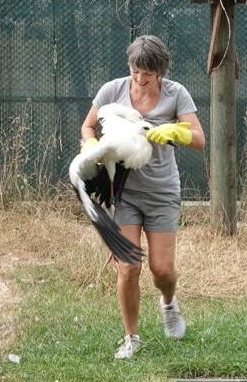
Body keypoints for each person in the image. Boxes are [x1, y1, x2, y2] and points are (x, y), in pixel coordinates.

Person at [79, 35, 206, 360]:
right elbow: (88, 127)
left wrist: (177, 132)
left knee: (162, 269)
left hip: (162, 191)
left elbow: (199, 139)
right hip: (124, 193)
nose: (140, 78)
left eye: (147, 73)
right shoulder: (112, 91)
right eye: (136, 71)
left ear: (160, 71)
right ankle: (131, 337)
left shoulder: (176, 94)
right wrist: (91, 147)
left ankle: (168, 303)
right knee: (128, 267)